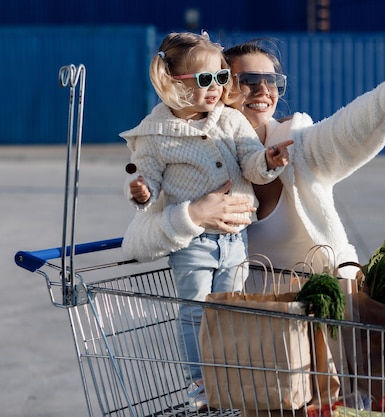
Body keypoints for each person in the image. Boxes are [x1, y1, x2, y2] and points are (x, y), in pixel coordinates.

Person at [124, 39, 385, 279]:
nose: (264, 92)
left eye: (272, 82)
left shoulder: (296, 144)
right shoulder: (188, 158)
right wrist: (193, 215)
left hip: (319, 313)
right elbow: (137, 240)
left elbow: (350, 129)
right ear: (221, 89)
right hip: (243, 328)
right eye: (249, 81)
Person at [120, 32, 292, 410]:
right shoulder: (156, 134)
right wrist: (142, 191)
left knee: (230, 310)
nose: (215, 88)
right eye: (204, 80)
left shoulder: (230, 120)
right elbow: (148, 177)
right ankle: (200, 382)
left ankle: (227, 375)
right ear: (173, 84)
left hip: (234, 239)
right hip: (193, 241)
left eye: (220, 78)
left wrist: (268, 161)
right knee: (196, 310)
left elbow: (251, 160)